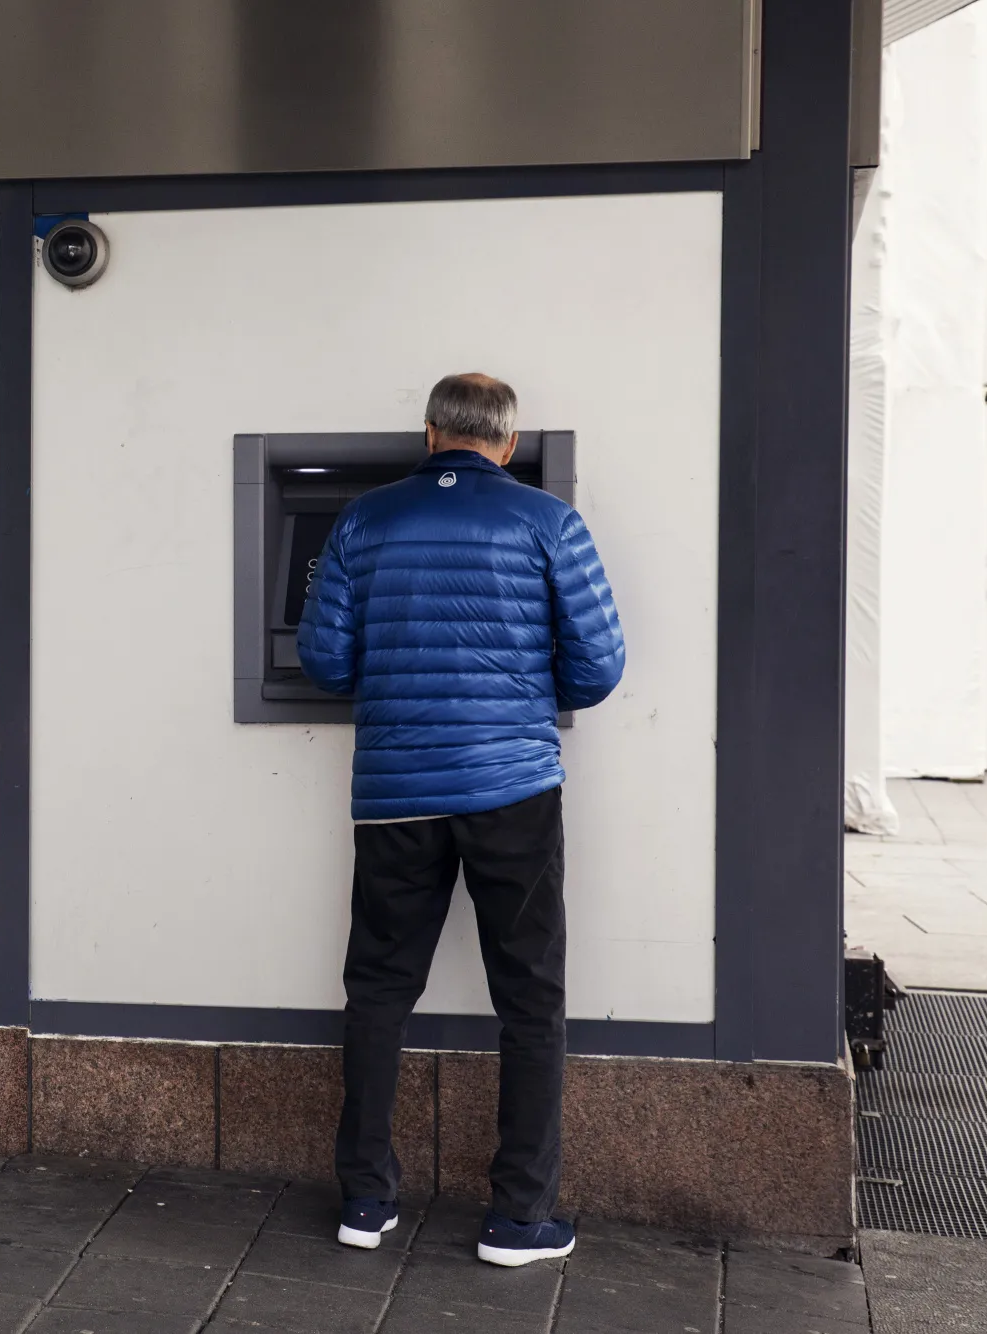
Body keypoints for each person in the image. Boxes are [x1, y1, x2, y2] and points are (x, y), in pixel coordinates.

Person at [297, 373, 624, 1265]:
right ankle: (519, 1218)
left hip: (397, 791)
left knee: (377, 990)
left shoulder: (363, 520)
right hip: (513, 788)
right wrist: (514, 699)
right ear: (507, 445)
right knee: (530, 999)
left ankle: (365, 1203)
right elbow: (598, 668)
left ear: (431, 433)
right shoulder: (548, 522)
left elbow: (325, 660)